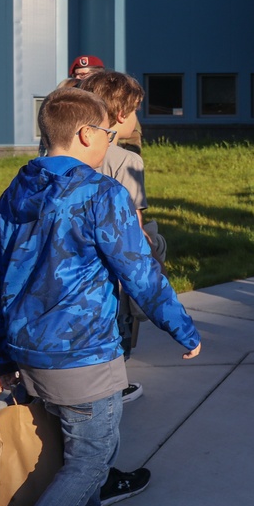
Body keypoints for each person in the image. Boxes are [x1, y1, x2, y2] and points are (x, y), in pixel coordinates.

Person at [0, 87, 201, 506]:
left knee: (72, 453)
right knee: (88, 464)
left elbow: (0, 277)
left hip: (27, 349)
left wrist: (0, 354)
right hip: (81, 354)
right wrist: (183, 328)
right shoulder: (102, 193)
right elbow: (139, 271)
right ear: (85, 134)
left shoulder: (18, 186)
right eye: (108, 132)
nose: (111, 139)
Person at [79, 71, 157, 404]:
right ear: (121, 115)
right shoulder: (127, 159)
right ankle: (112, 386)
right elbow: (133, 228)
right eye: (135, 111)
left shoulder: (62, 155)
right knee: (116, 325)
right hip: (111, 267)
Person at [70, 55, 143, 155]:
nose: (78, 79)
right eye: (75, 75)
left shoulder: (119, 102)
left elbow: (133, 142)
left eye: (83, 75)